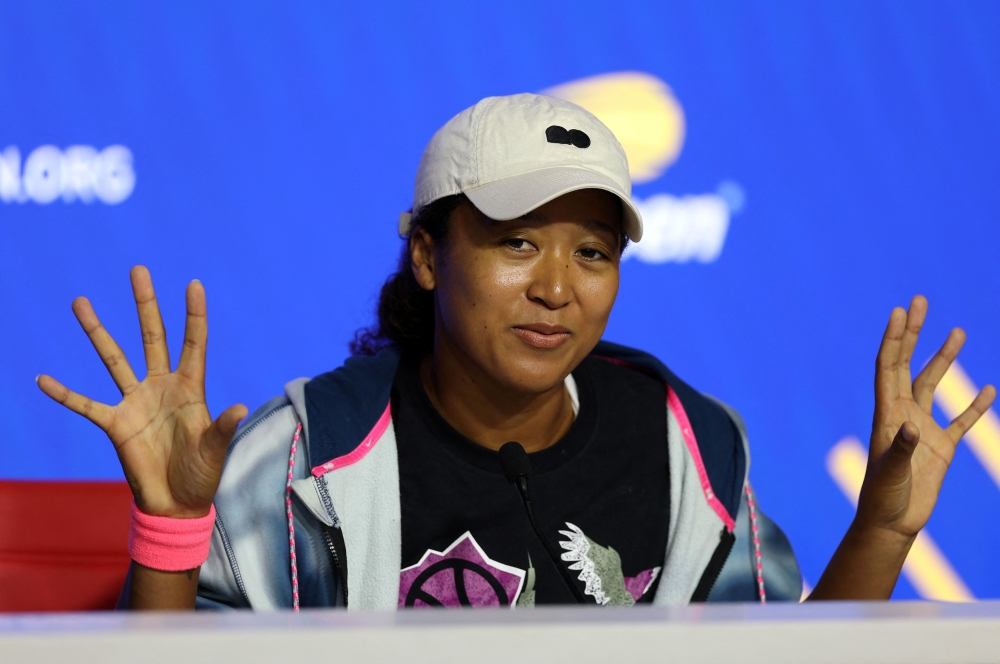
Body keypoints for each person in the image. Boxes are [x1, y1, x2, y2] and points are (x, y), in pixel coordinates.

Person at [38, 94, 995, 610]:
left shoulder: (689, 443)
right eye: (517, 242)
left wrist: (882, 529)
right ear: (427, 255)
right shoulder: (307, 454)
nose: (557, 288)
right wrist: (172, 527)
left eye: (593, 253)